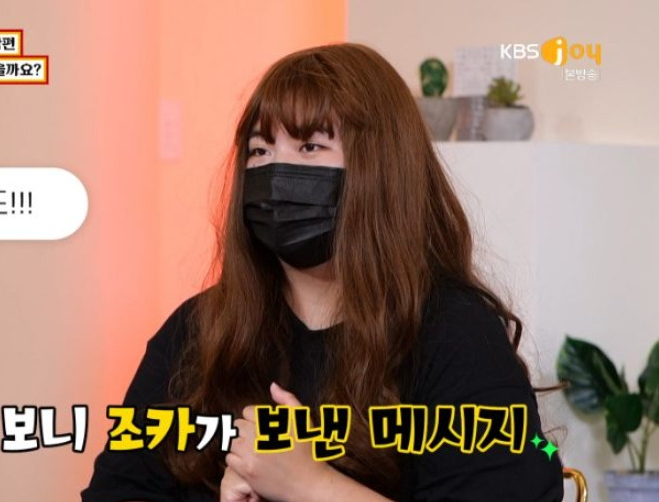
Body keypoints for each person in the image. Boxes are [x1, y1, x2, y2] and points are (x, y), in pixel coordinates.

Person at [81, 42, 565, 502]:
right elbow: (119, 489)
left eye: (310, 147)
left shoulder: (456, 335)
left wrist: (309, 485)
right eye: (260, 151)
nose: (276, 173)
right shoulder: (197, 331)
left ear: (380, 169)